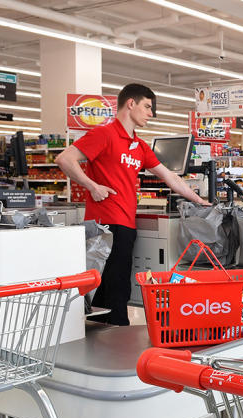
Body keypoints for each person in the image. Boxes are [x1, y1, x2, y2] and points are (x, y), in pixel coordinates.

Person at [56, 83, 210, 325]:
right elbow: (65, 159)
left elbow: (169, 176)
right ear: (131, 104)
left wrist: (200, 200)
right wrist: (92, 186)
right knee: (111, 289)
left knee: (116, 287)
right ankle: (112, 345)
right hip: (104, 225)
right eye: (147, 106)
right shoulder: (104, 134)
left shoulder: (138, 146)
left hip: (125, 224)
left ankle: (106, 342)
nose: (151, 113)